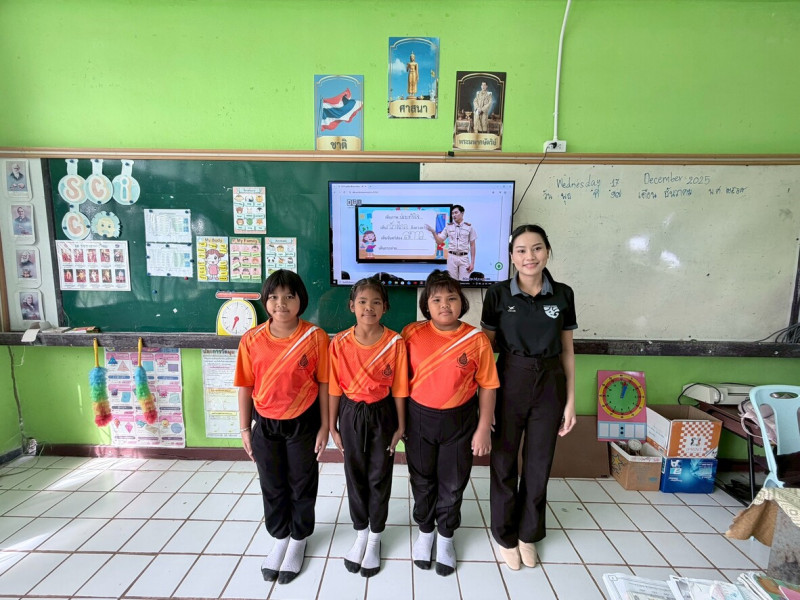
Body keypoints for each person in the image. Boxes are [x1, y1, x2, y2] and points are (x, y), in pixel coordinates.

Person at [480, 224, 577, 571]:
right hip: (509, 379)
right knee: (504, 462)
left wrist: (570, 401)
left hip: (550, 383)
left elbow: (567, 351)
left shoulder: (563, 294)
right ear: (511, 256)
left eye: (536, 248)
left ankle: (528, 534)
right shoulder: (497, 295)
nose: (529, 256)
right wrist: (485, 401)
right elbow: (484, 352)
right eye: (521, 250)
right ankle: (505, 535)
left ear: (547, 251)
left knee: (538, 465)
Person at [234, 269, 330, 585]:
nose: (281, 303)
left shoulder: (315, 337)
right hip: (265, 423)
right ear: (265, 301)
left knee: (302, 483)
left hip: (304, 422)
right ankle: (280, 537)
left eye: (289, 296)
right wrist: (245, 429)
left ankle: (299, 539)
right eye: (274, 297)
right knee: (272, 484)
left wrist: (325, 426)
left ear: (301, 300)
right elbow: (245, 386)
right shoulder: (252, 339)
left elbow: (325, 384)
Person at [401, 271, 499, 576]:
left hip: (460, 422)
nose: (445, 305)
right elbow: (400, 383)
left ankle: (445, 536)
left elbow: (488, 386)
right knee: (422, 480)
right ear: (426, 305)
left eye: (452, 298)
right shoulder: (411, 334)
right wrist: (400, 423)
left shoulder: (476, 339)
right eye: (437, 299)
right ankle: (425, 532)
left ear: (462, 302)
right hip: (418, 419)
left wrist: (483, 428)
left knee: (453, 482)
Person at [328, 277, 408, 578]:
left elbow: (399, 388)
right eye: (362, 302)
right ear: (352, 306)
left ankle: (375, 536)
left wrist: (400, 425)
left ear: (385, 307)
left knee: (379, 475)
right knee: (355, 474)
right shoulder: (339, 343)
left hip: (383, 413)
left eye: (376, 302)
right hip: (350, 413)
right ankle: (361, 532)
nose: (368, 308)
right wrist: (332, 425)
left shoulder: (395, 342)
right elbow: (334, 388)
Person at [425, 205, 477, 280]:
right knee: (452, 281)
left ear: (462, 213)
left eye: (456, 213)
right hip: (452, 257)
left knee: (465, 281)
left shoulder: (469, 227)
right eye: (452, 213)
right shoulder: (448, 227)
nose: (454, 215)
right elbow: (439, 241)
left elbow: (472, 245)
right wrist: (433, 232)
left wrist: (472, 263)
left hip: (464, 257)